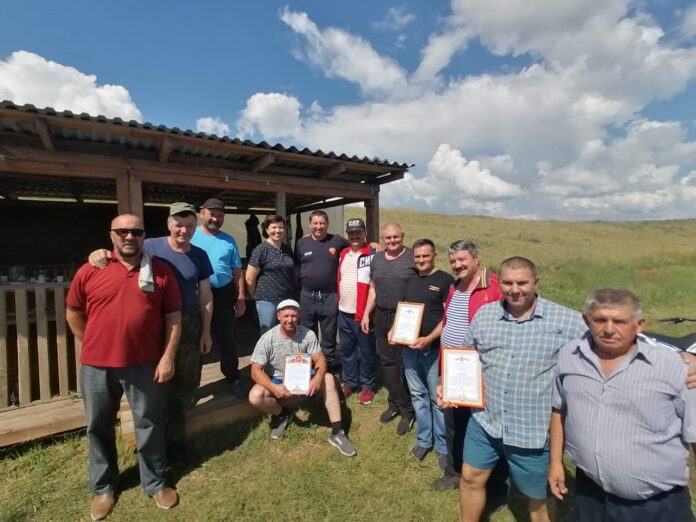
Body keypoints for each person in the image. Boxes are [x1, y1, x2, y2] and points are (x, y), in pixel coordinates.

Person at [450, 256, 586, 522]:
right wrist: (451, 386)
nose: (514, 290)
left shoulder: (566, 320)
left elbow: (605, 344)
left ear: (536, 282)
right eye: (507, 283)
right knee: (470, 477)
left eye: (522, 283)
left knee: (538, 496)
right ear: (498, 282)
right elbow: (465, 355)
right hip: (485, 421)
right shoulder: (485, 315)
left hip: (532, 429)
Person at [66, 214, 182, 520]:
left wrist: (168, 357)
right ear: (111, 235)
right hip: (97, 365)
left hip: (145, 364)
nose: (129, 236)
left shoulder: (161, 271)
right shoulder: (91, 269)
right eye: (122, 231)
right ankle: (104, 487)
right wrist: (92, 342)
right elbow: (73, 312)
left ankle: (155, 482)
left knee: (149, 423)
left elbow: (173, 318)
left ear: (144, 236)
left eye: (136, 231)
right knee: (98, 425)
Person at [549, 288, 696, 522]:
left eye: (619, 321)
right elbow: (559, 409)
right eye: (600, 320)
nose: (609, 329)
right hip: (592, 493)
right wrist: (556, 463)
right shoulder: (569, 356)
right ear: (586, 320)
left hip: (657, 504)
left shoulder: (677, 369)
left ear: (639, 325)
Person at [86, 203, 214, 460]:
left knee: (185, 384)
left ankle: (175, 441)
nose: (184, 230)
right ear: (169, 224)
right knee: (153, 386)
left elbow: (206, 295)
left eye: (189, 226)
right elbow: (121, 253)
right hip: (156, 324)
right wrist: (97, 254)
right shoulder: (150, 246)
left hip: (189, 324)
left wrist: (206, 332)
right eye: (179, 225)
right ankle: (153, 443)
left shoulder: (199, 255)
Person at [435, 240, 506, 494]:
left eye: (462, 259)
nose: (457, 265)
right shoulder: (454, 287)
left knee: (485, 427)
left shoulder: (495, 287)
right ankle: (454, 472)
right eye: (453, 261)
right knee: (454, 423)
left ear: (476, 259)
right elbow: (448, 322)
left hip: (482, 373)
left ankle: (492, 480)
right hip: (453, 369)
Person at [247, 299, 357, 457]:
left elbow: (320, 360)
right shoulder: (267, 338)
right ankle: (281, 414)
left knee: (328, 378)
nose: (290, 320)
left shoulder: (308, 334)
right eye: (286, 316)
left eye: (293, 316)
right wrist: (273, 387)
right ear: (278, 316)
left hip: (304, 375)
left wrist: (317, 378)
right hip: (277, 378)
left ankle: (337, 432)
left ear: (298, 316)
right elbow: (255, 371)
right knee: (255, 396)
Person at [388, 239, 453, 479]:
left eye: (425, 256)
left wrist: (429, 338)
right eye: (417, 257)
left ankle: (444, 447)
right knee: (417, 394)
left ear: (434, 255)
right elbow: (403, 308)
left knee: (437, 399)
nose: (421, 260)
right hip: (409, 348)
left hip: (433, 348)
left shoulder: (445, 281)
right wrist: (394, 329)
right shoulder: (411, 279)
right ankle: (424, 440)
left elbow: (448, 316)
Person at [361, 222, 417, 435]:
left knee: (403, 364)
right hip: (381, 314)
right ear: (383, 239)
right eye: (388, 237)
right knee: (387, 362)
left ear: (402, 236)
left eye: (396, 237)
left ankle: (408, 411)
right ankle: (394, 403)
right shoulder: (377, 259)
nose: (392, 240)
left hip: (405, 315)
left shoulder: (412, 257)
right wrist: (366, 314)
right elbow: (373, 288)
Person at [190, 198, 246, 392]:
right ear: (202, 213)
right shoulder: (191, 236)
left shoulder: (229, 240)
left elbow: (237, 271)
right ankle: (192, 385)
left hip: (224, 293)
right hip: (197, 294)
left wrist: (241, 298)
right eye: (212, 214)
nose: (215, 218)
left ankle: (233, 377)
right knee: (196, 338)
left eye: (220, 215)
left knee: (227, 337)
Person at [295, 210, 350, 372]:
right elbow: (297, 266)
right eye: (315, 223)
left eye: (322, 223)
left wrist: (372, 245)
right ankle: (309, 366)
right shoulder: (301, 243)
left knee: (329, 333)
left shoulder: (337, 240)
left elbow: (356, 245)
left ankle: (328, 365)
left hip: (329, 296)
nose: (318, 227)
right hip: (307, 295)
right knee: (306, 332)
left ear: (327, 224)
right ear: (310, 224)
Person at [337, 218, 377, 404]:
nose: (355, 236)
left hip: (363, 314)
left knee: (367, 352)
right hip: (343, 311)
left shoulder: (373, 254)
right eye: (351, 233)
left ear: (365, 234)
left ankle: (368, 385)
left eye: (358, 232)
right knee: (347, 350)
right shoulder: (344, 253)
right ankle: (350, 383)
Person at [245, 214, 298, 334]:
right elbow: (249, 278)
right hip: (267, 299)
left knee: (287, 332)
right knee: (268, 333)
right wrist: (255, 296)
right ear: (267, 230)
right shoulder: (261, 250)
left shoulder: (287, 249)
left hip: (288, 298)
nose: (277, 230)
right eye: (274, 227)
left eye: (280, 227)